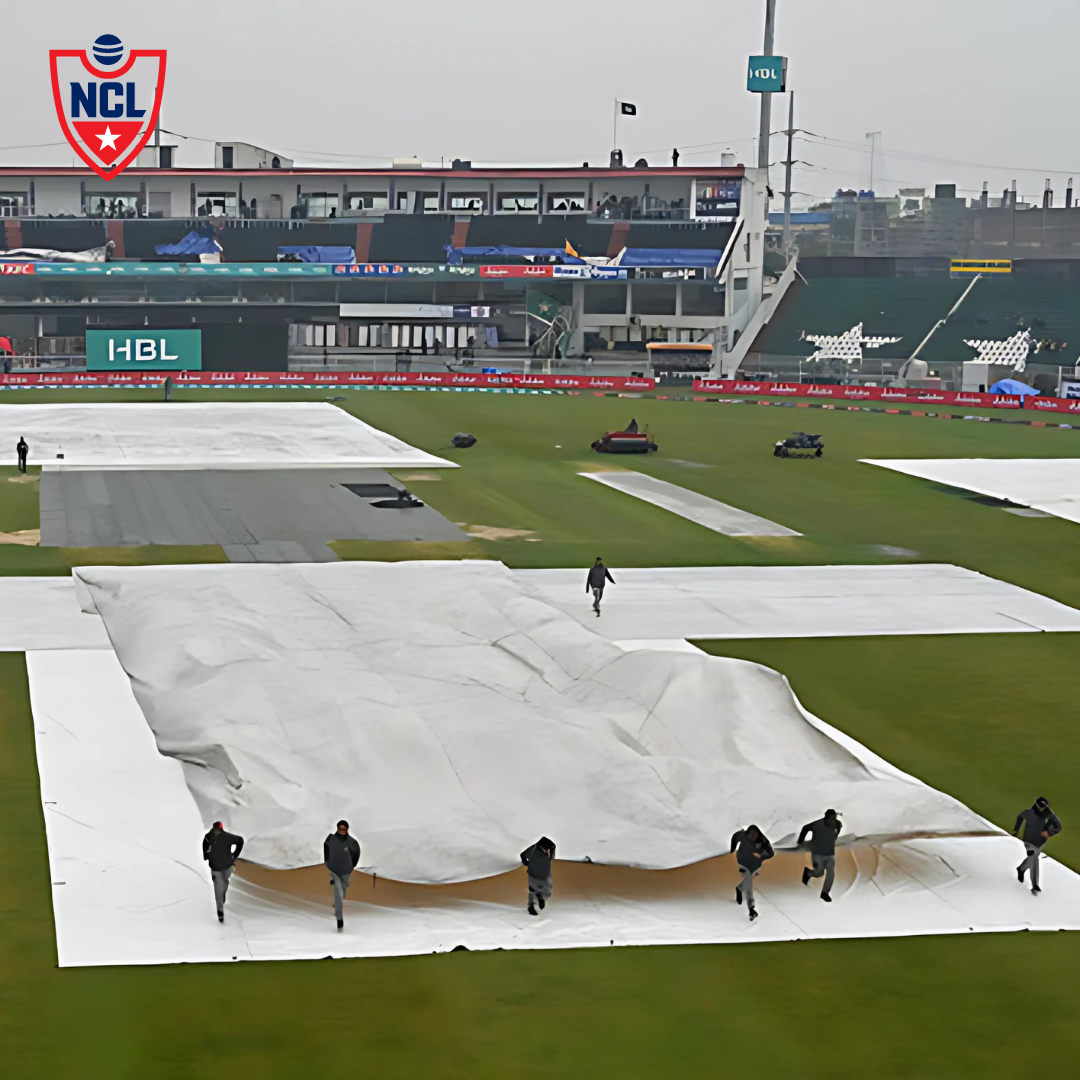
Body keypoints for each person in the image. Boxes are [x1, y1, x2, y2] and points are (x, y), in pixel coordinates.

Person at [1013, 796, 1062, 895]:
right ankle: (1035, 884)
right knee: (1034, 859)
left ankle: (1021, 869)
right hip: (1028, 840)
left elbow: (1058, 826)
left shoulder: (1049, 814)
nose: (1042, 808)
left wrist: (1049, 833)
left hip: (1040, 842)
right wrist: (1016, 830)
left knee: (1032, 858)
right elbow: (1020, 817)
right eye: (1040, 806)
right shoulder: (1029, 812)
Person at [202, 821, 244, 923]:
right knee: (218, 888)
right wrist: (206, 855)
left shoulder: (226, 837)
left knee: (224, 885)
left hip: (226, 866)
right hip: (217, 867)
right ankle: (220, 912)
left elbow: (240, 841)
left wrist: (234, 855)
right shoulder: (208, 837)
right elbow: (205, 846)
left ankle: (221, 899)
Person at [729, 824, 773, 921]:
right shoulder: (742, 835)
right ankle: (751, 909)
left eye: (755, 835)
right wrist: (732, 849)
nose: (752, 837)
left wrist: (761, 855)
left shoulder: (763, 840)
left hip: (755, 864)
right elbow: (734, 837)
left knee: (749, 878)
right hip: (743, 862)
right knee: (749, 882)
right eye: (750, 835)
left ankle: (739, 888)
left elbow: (771, 853)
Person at [798, 809, 842, 902]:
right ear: (825, 818)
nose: (832, 821)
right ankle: (808, 872)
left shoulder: (837, 823)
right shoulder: (817, 824)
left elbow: (838, 828)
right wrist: (800, 840)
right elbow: (805, 828)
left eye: (834, 818)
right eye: (831, 819)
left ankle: (825, 893)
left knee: (831, 872)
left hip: (830, 854)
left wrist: (834, 837)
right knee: (819, 873)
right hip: (817, 854)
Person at [324, 819, 361, 929]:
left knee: (343, 890)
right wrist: (328, 863)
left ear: (347, 829)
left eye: (344, 829)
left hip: (346, 871)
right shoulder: (331, 839)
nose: (342, 831)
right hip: (334, 870)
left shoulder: (352, 842)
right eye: (340, 829)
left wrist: (351, 866)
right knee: (338, 892)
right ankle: (339, 918)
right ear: (338, 828)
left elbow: (356, 854)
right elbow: (326, 848)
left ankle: (337, 904)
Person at [520, 836, 555, 916]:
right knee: (545, 891)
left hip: (536, 872)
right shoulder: (549, 849)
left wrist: (526, 863)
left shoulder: (535, 848)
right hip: (543, 873)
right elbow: (552, 857)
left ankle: (533, 903)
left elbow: (523, 855)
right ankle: (535, 902)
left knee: (533, 890)